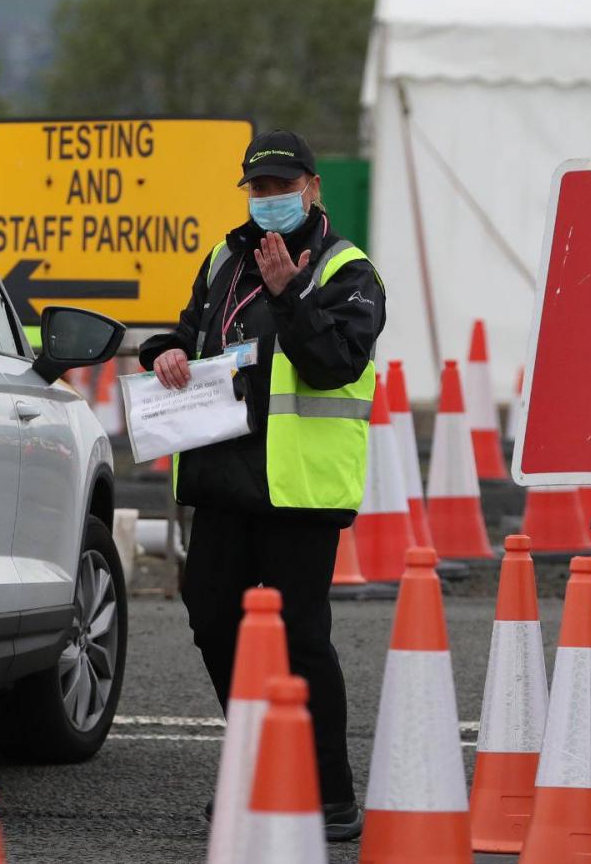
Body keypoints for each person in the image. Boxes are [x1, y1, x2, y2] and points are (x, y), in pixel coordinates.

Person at [139, 129, 386, 842]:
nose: (270, 200)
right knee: (212, 617)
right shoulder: (224, 256)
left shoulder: (347, 269)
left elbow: (335, 362)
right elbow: (186, 330)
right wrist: (170, 352)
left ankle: (328, 793)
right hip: (221, 473)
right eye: (259, 188)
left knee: (302, 638)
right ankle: (262, 763)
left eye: (282, 187)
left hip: (297, 488)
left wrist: (288, 295)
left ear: (312, 188)